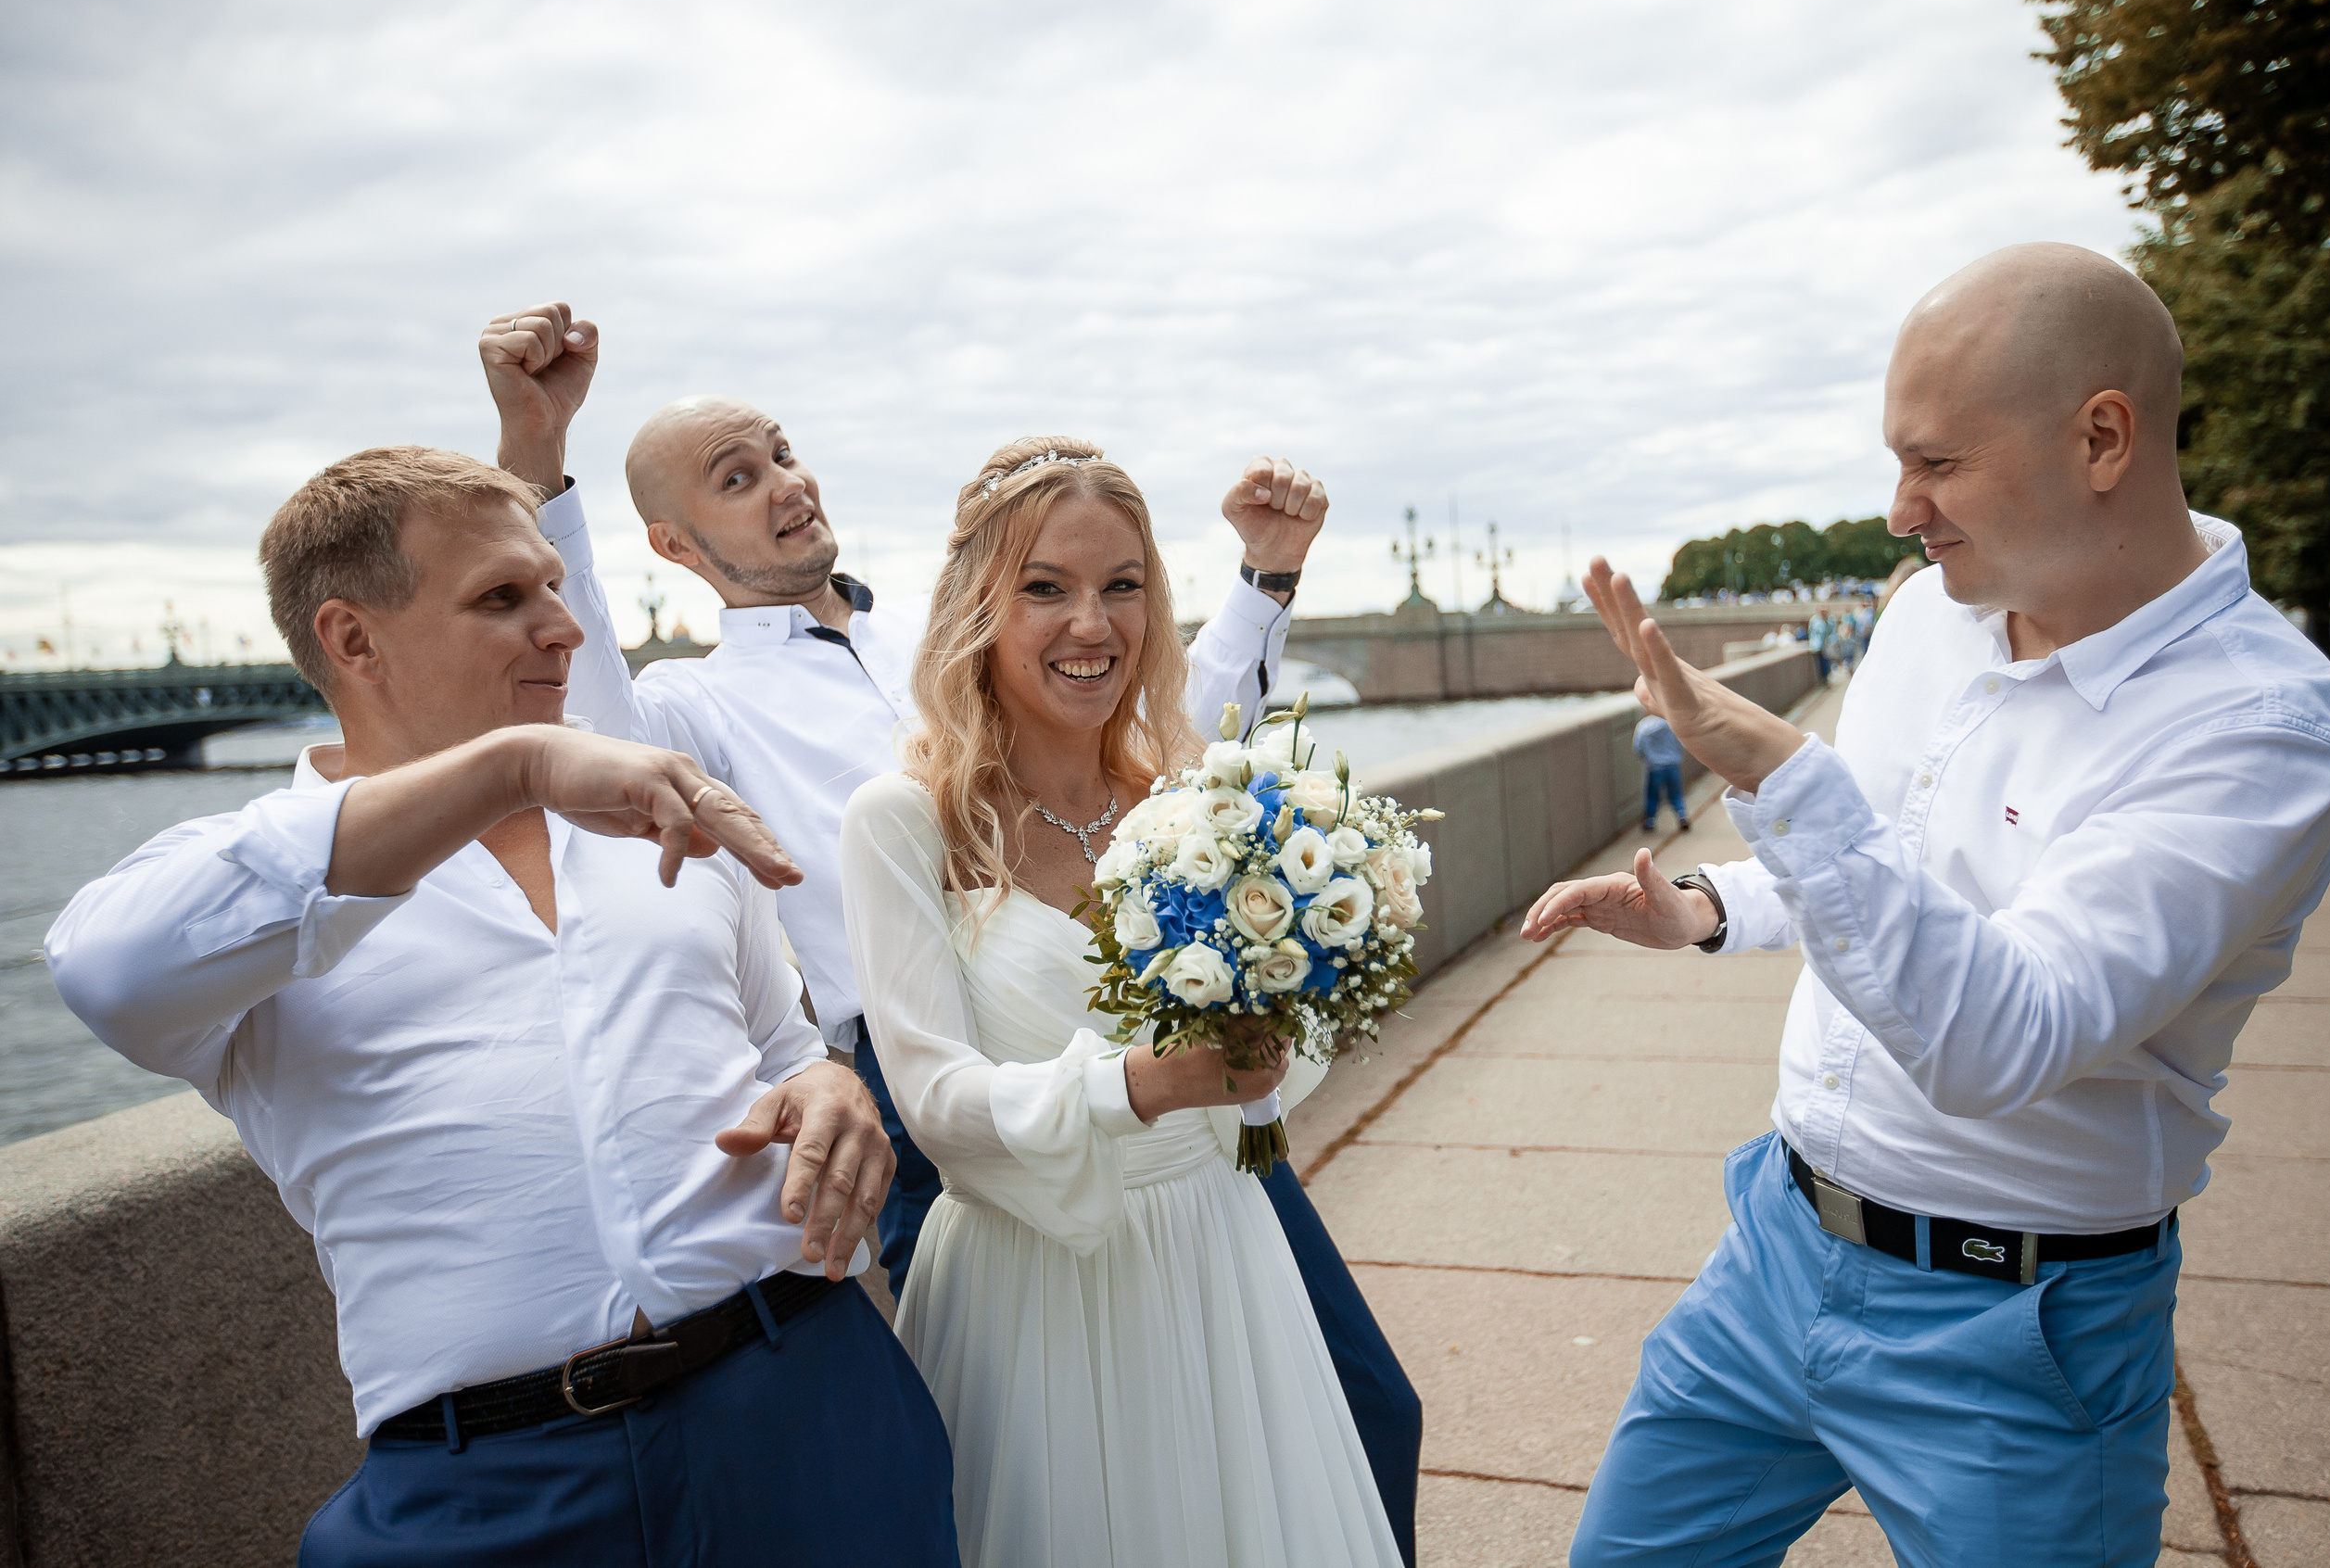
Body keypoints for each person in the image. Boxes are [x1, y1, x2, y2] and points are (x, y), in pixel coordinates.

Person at [478, 303, 1422, 1564]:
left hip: (1173, 1075)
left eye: (783, 451)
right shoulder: (690, 703)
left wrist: (1260, 584)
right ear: (672, 543)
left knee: (1351, 1407)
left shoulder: (943, 633)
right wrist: (537, 460)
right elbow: (590, 734)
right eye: (736, 477)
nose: (785, 483)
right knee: (1026, 1444)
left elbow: (1163, 735)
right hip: (936, 1072)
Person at [1523, 243, 2330, 1567]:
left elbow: (1998, 1037)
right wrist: (1708, 905)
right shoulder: (1928, 614)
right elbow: (1888, 866)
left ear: (2102, 438)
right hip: (1778, 1245)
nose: (1901, 507)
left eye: (1938, 461)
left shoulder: (2258, 723)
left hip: (2015, 1330)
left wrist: (1780, 770)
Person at [45, 448, 958, 1566]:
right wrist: (511, 767)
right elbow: (106, 972)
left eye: (555, 588)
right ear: (352, 641)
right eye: (501, 598)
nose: (562, 629)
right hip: (488, 1490)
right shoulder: (256, 883)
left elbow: (779, 1040)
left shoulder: (671, 824)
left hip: (813, 1406)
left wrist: (823, 1083)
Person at [839, 439, 1403, 1568]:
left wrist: (1289, 1018)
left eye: (1122, 585)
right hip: (1031, 1287)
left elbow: (1281, 1061)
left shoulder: (1193, 802)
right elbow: (934, 1103)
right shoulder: (904, 823)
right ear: (976, 609)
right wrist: (1139, 1086)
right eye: (1045, 588)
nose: (1090, 624)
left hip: (1221, 1253)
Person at [1632, 712, 1688, 833]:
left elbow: (1638, 747)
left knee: (1652, 795)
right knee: (1676, 793)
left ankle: (1650, 821)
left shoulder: (1643, 726)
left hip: (1654, 766)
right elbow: (1681, 744)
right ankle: (1681, 816)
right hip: (1672, 764)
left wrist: (1648, 758)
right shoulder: (1672, 723)